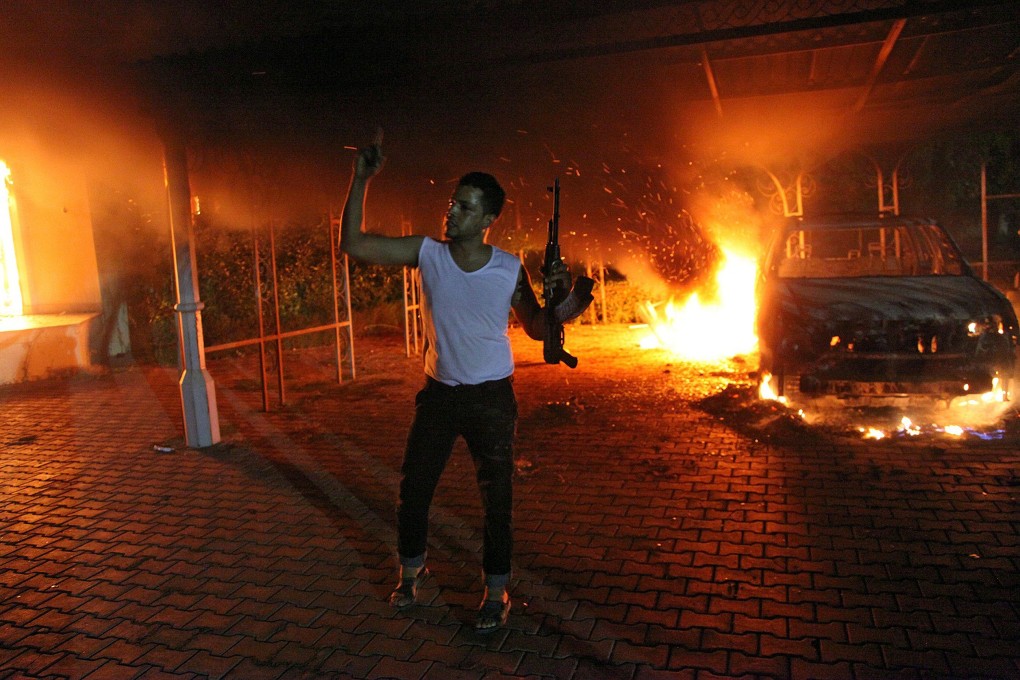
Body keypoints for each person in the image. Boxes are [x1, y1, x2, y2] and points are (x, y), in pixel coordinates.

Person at [339, 132, 591, 633]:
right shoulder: (427, 253)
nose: (452, 212)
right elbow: (354, 244)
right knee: (413, 492)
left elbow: (538, 328)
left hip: (492, 399)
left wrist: (564, 299)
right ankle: (411, 573)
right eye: (453, 202)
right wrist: (359, 179)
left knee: (497, 502)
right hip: (438, 395)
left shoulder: (507, 269)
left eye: (465, 207)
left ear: (487, 220)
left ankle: (496, 593)